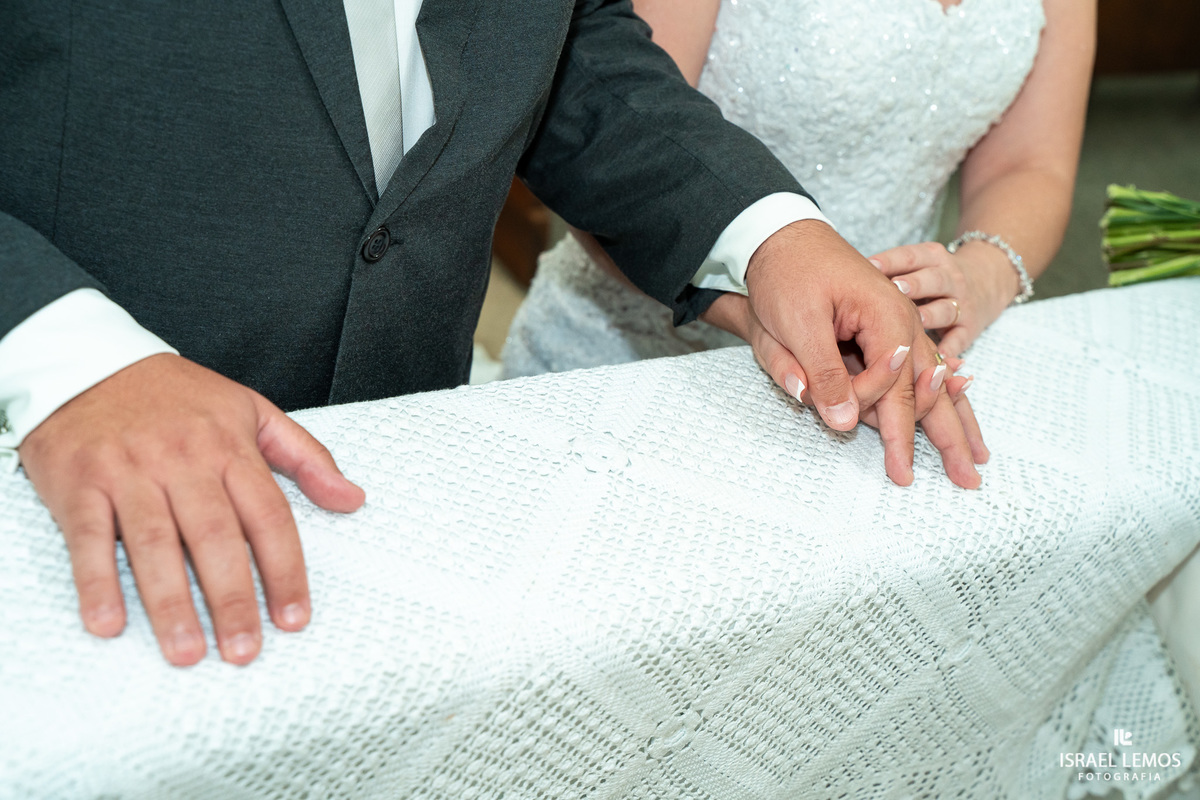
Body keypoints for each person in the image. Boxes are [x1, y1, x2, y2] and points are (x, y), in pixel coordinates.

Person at [0, 1, 985, 669]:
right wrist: (72, 363)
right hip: (65, 489)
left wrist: (767, 234)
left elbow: (576, 55)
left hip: (412, 497)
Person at [504, 0, 1094, 417]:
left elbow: (1031, 165)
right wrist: (754, 308)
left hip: (893, 355)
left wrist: (979, 277)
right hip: (652, 348)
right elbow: (613, 135)